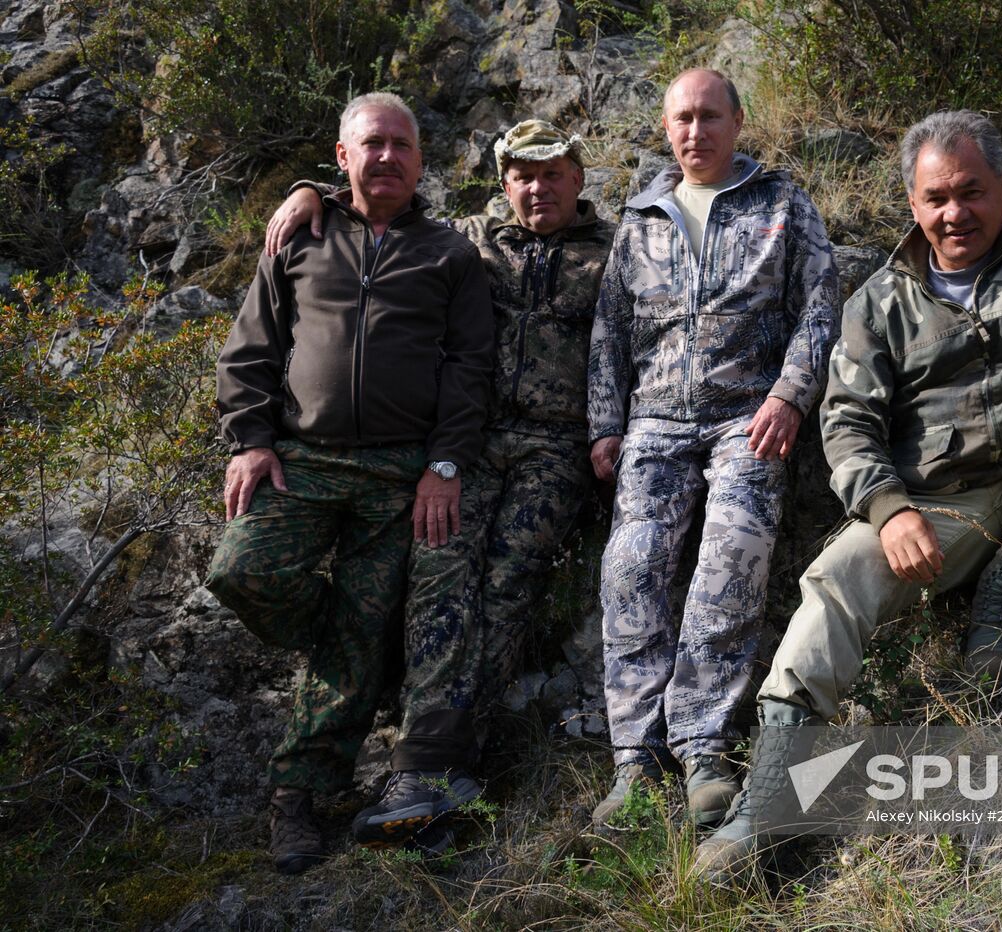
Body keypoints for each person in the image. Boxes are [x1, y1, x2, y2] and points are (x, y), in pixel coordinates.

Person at [694, 109, 1002, 877]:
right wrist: (888, 509)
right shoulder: (879, 303)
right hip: (937, 504)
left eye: (971, 191)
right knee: (837, 579)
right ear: (913, 204)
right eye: (936, 198)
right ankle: (766, 802)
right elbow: (848, 421)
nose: (954, 213)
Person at [263, 120, 615, 852]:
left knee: (507, 583)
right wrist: (312, 192)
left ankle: (448, 767)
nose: (537, 187)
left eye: (552, 172)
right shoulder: (468, 242)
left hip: (556, 448)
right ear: (503, 182)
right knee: (437, 570)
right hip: (471, 446)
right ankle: (422, 765)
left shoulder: (618, 251)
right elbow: (384, 204)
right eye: (521, 173)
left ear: (578, 177)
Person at [205, 92, 494, 875]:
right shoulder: (300, 233)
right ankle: (353, 638)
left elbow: (471, 370)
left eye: (403, 145)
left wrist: (444, 464)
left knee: (361, 634)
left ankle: (298, 796)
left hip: (400, 472)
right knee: (239, 572)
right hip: (303, 461)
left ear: (421, 160)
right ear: (343, 158)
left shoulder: (449, 253)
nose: (389, 157)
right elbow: (252, 347)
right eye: (373, 144)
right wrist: (251, 441)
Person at [587, 68, 839, 827]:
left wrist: (790, 395)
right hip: (656, 424)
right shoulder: (641, 216)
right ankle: (635, 761)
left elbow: (821, 306)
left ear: (737, 120)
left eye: (709, 117)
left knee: (730, 558)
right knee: (630, 566)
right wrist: (605, 422)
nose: (695, 132)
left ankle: (703, 748)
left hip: (746, 418)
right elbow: (610, 329)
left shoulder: (782, 203)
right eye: (682, 120)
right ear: (667, 129)